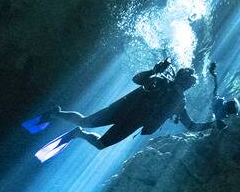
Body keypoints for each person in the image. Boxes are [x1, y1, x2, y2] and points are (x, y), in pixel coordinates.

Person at [42, 59, 213, 153]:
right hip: (120, 110)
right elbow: (137, 80)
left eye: (187, 84)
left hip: (130, 122)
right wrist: (154, 71)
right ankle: (57, 114)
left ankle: (77, 133)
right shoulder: (161, 82)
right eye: (185, 82)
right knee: (86, 122)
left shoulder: (178, 103)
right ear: (180, 78)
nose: (184, 85)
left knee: (99, 143)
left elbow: (191, 126)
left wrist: (213, 124)